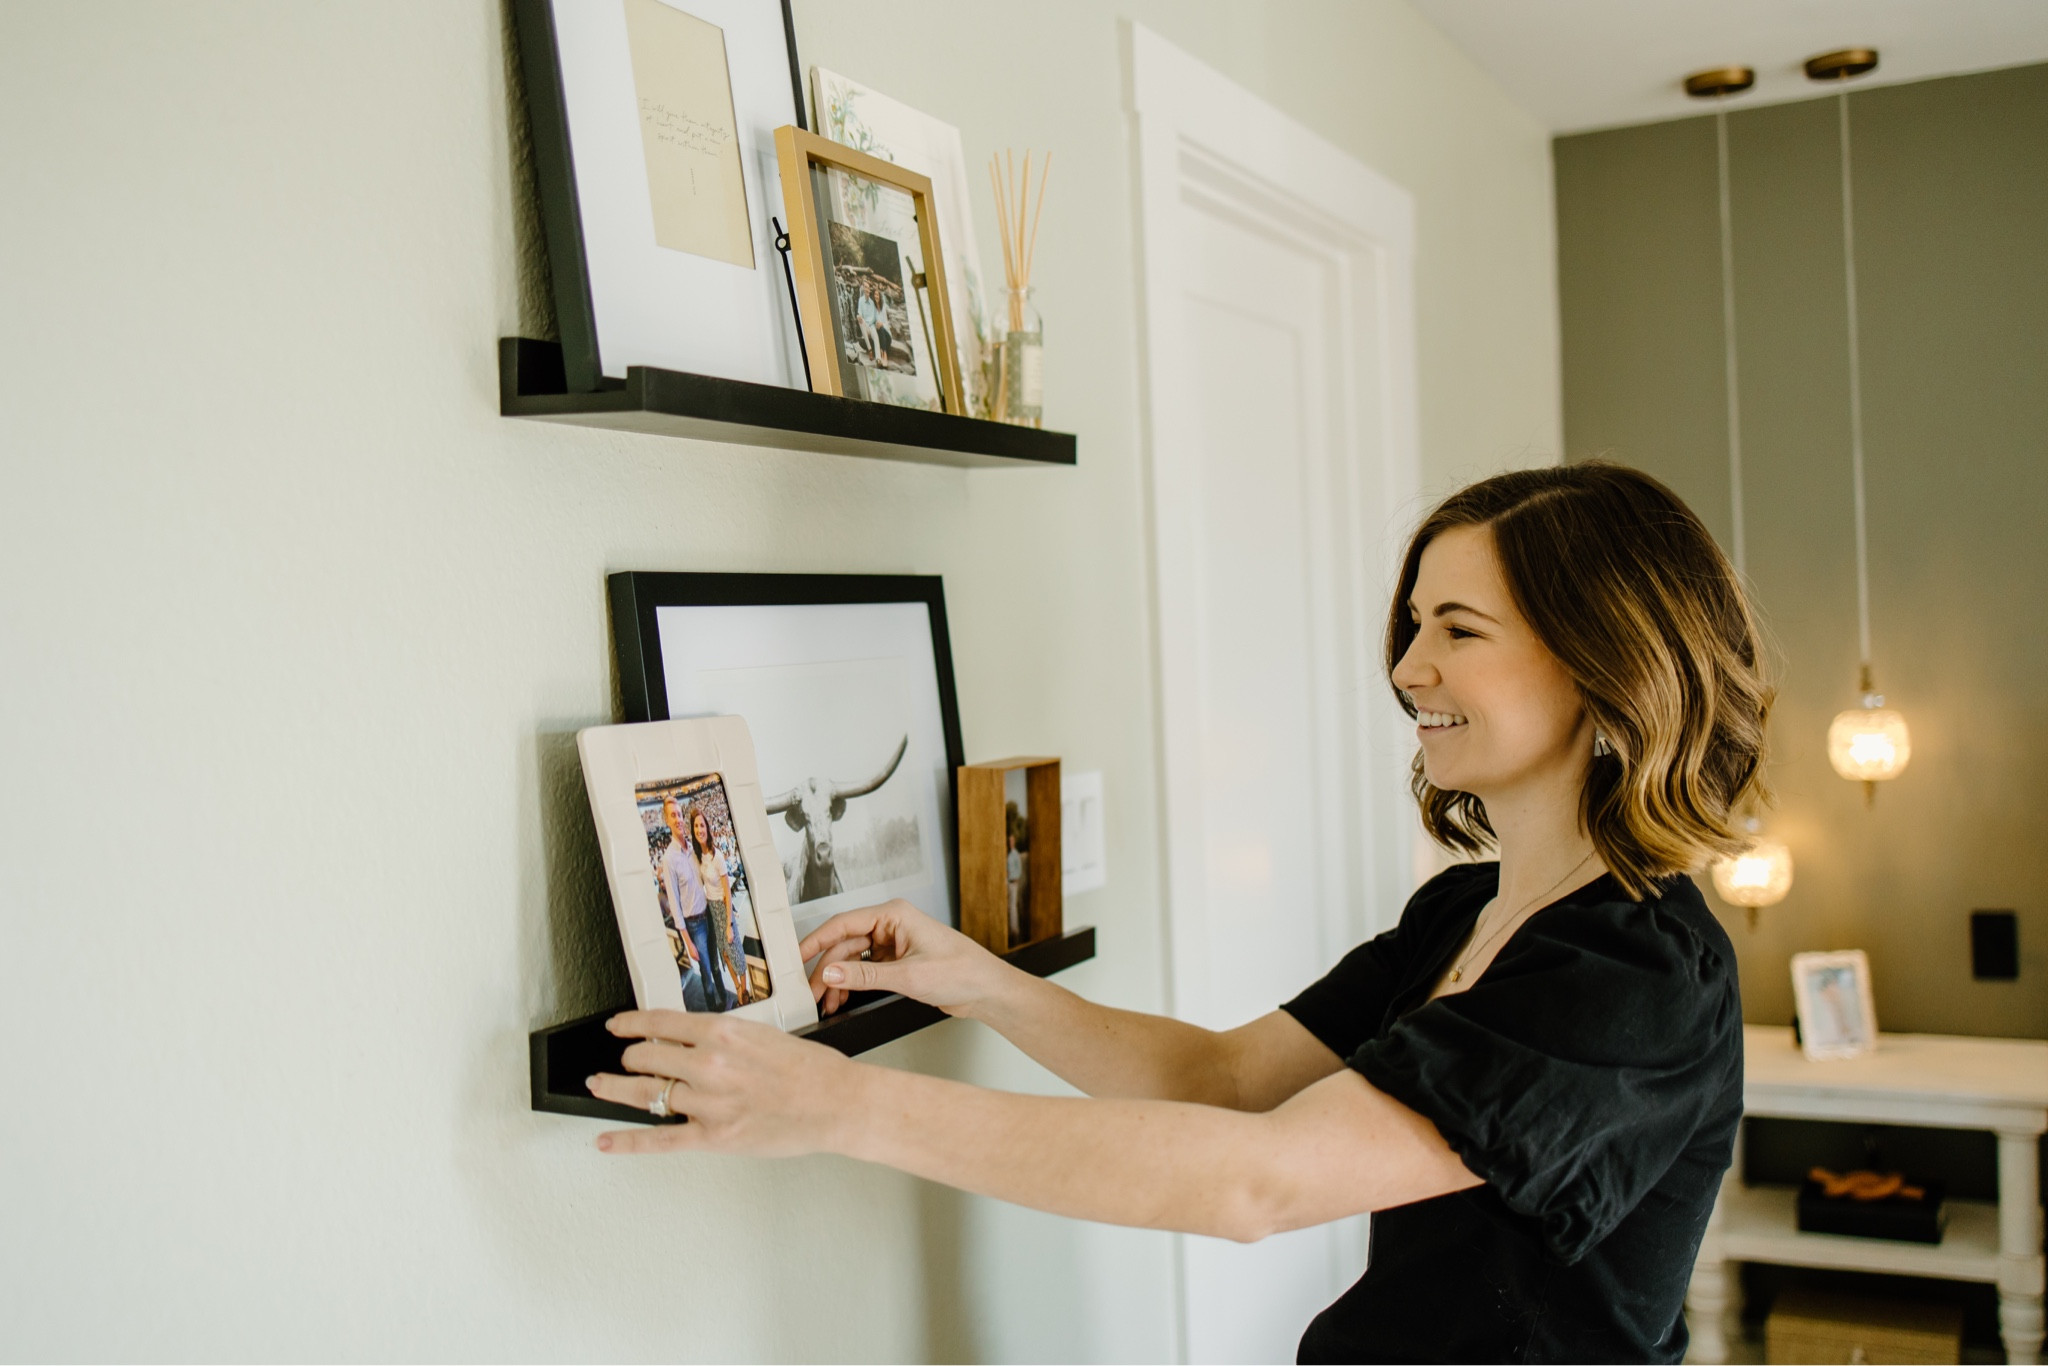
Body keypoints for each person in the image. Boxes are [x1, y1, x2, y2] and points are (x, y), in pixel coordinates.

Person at [591, 463, 1766, 1362]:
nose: (1408, 667)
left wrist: (840, 1105)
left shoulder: (1637, 974)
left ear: (1600, 662)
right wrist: (978, 981)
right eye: (1413, 625)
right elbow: (1222, 1078)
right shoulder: (1464, 909)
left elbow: (1256, 1179)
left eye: (1458, 629)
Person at [659, 796, 729, 1013]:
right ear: (667, 821)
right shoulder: (669, 860)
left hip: (708, 915)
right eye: (673, 816)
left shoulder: (693, 849)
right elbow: (674, 906)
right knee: (706, 972)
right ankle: (714, 1012)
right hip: (694, 925)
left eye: (679, 814)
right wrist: (687, 942)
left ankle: (726, 1003)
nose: (678, 819)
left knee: (716, 967)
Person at [692, 808, 749, 1007]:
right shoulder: (699, 856)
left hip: (723, 908)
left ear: (707, 828)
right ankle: (738, 989)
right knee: (724, 953)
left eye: (702, 825)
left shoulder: (717, 856)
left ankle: (744, 995)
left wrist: (729, 924)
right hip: (712, 910)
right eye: (696, 826)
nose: (699, 830)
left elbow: (727, 892)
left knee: (736, 953)